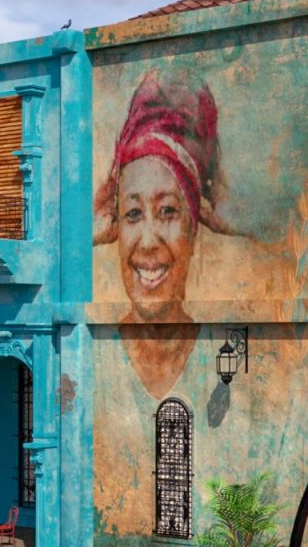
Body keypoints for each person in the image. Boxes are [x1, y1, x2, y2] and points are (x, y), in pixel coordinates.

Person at [94, 70, 241, 399]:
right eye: (132, 213)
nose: (147, 241)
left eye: (168, 211)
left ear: (195, 228)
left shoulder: (219, 351)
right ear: (114, 226)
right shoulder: (89, 350)